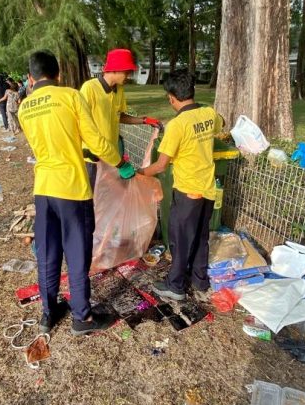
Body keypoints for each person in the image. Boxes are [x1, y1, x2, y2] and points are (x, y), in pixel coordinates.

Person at [17, 50, 136, 336]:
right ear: (58, 74)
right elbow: (96, 141)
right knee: (77, 253)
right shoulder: (70, 96)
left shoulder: (24, 107)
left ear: (31, 78)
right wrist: (120, 162)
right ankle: (82, 317)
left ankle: (49, 312)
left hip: (43, 189)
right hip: (71, 188)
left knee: (48, 253)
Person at [138, 70, 224, 302]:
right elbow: (220, 123)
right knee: (200, 236)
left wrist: (138, 173)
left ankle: (175, 285)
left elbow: (160, 166)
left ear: (171, 97)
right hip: (208, 189)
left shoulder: (177, 125)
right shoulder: (208, 113)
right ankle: (199, 280)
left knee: (180, 238)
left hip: (188, 191)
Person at [79, 48, 161, 189]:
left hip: (112, 155)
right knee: (92, 198)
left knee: (109, 197)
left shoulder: (119, 90)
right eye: (126, 71)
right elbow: (80, 121)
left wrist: (144, 120)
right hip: (92, 157)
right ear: (115, 70)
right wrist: (89, 149)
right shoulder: (89, 89)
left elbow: (120, 116)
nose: (128, 76)